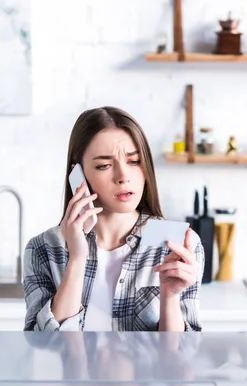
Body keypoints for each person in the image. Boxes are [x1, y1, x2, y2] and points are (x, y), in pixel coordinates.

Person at [23, 106, 205, 332]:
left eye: (134, 161)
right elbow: (42, 348)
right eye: (104, 165)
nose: (123, 176)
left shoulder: (177, 244)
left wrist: (170, 297)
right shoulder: (44, 248)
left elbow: (178, 359)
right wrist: (77, 259)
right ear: (78, 175)